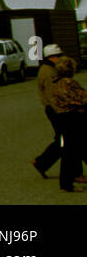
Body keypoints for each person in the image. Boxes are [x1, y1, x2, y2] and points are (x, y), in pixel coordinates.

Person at [49, 56, 87, 193]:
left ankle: (66, 182)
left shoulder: (56, 83)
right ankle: (66, 183)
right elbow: (82, 98)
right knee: (71, 152)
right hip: (72, 119)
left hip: (62, 118)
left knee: (74, 150)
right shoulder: (69, 83)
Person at [32, 44, 66, 178]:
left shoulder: (51, 69)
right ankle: (41, 162)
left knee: (64, 140)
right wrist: (63, 111)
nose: (61, 58)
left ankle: (42, 162)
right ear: (52, 57)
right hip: (55, 110)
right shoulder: (48, 72)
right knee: (65, 140)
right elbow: (52, 95)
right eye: (59, 56)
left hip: (56, 109)